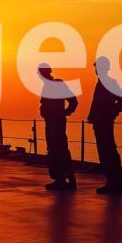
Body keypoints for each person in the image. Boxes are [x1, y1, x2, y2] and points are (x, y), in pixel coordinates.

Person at [87, 57, 122, 195]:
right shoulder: (101, 83)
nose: (96, 70)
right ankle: (112, 182)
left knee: (108, 151)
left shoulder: (109, 83)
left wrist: (111, 113)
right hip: (99, 122)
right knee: (105, 152)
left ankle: (116, 183)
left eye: (98, 67)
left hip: (104, 122)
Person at [39, 63, 79, 191]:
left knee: (60, 149)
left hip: (56, 122)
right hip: (50, 122)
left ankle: (68, 178)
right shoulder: (47, 87)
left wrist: (65, 112)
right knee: (53, 149)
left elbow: (73, 101)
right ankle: (60, 179)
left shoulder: (57, 84)